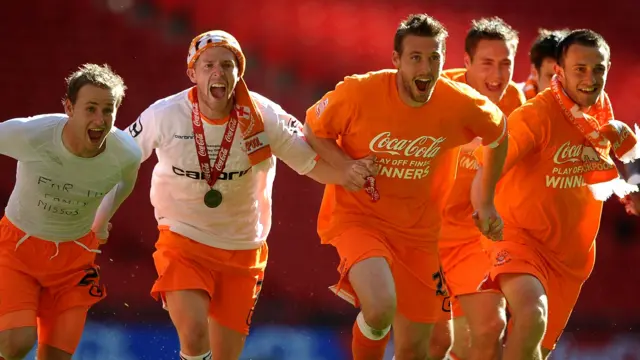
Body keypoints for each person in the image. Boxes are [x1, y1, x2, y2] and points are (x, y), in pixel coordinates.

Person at [127, 30, 376, 360]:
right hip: (182, 239)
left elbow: (309, 163)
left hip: (243, 249)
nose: (219, 73)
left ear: (239, 72)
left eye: (228, 65)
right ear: (192, 73)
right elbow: (121, 159)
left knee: (225, 355)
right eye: (209, 65)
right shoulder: (164, 114)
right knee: (194, 334)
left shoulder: (264, 115)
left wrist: (348, 174)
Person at [303, 13, 508, 360]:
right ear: (396, 60)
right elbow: (313, 130)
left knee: (425, 346)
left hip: (420, 235)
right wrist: (346, 166)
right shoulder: (358, 92)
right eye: (416, 57)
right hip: (359, 219)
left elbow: (499, 135)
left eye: (435, 57)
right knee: (381, 308)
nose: (426, 68)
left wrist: (485, 201)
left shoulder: (460, 103)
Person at [474, 29, 639, 360]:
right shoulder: (536, 115)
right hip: (520, 240)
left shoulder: (604, 115)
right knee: (532, 314)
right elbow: (489, 163)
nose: (590, 79)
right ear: (560, 73)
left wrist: (633, 190)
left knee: (535, 350)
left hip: (571, 260)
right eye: (580, 69)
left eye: (599, 69)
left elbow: (626, 161)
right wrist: (484, 205)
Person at [0, 64, 141, 360]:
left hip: (74, 260)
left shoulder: (126, 154)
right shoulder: (31, 134)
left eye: (108, 110)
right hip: (17, 251)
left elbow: (125, 186)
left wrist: (102, 222)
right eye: (90, 109)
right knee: (16, 343)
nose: (100, 120)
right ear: (69, 107)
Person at [433, 16, 524, 360]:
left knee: (489, 328)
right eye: (487, 64)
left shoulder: (516, 103)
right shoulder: (437, 95)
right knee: (434, 345)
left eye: (506, 64)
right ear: (466, 63)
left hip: (473, 239)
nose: (497, 76)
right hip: (422, 238)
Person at [520, 28, 570, 100]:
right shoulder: (511, 103)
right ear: (534, 72)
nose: (561, 87)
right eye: (553, 78)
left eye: (568, 77)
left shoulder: (589, 106)